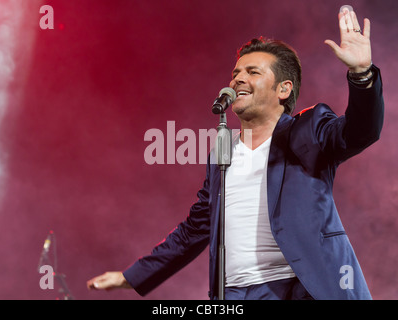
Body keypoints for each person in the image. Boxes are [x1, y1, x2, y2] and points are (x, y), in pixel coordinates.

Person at [87, 7, 384, 300]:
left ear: (283, 89)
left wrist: (361, 74)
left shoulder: (309, 128)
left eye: (252, 72)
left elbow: (360, 131)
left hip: (299, 288)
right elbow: (197, 227)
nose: (238, 79)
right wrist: (132, 276)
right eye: (236, 73)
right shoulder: (223, 150)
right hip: (235, 294)